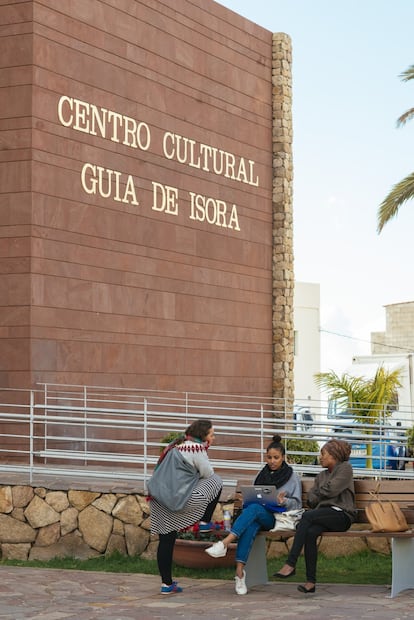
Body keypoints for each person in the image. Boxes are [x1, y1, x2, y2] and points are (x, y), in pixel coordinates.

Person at [205, 434, 302, 595]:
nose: (272, 461)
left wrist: (283, 502)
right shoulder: (262, 473)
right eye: (269, 457)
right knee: (251, 524)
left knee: (255, 510)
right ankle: (240, 573)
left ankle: (225, 543)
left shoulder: (292, 476)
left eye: (276, 458)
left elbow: (297, 503)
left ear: (284, 457)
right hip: (259, 515)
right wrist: (246, 499)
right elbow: (256, 494)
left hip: (276, 519)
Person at [274, 438, 357, 594]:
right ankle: (310, 582)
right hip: (323, 515)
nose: (321, 457)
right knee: (310, 532)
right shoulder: (321, 476)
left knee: (307, 517)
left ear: (334, 455)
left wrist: (320, 492)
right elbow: (311, 500)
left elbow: (331, 491)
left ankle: (290, 563)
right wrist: (322, 491)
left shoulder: (345, 468)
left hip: (342, 516)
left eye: (323, 454)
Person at [150, 419, 222, 595]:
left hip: (158, 496)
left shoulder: (178, 445)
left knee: (166, 540)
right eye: (212, 434)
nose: (214, 437)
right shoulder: (196, 449)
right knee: (217, 481)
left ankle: (166, 584)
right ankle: (204, 522)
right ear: (203, 436)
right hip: (174, 497)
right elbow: (208, 474)